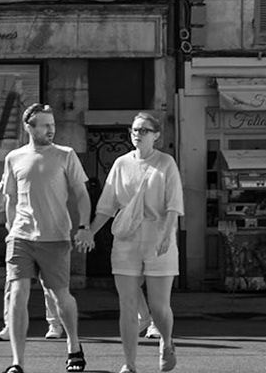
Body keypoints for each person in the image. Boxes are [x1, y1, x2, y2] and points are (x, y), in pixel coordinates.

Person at [0, 103, 92, 373]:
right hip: (21, 237)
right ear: (29, 127)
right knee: (17, 294)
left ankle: (74, 345)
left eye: (53, 124)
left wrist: (84, 226)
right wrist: (10, 229)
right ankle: (17, 362)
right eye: (45, 125)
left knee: (61, 296)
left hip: (55, 237)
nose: (51, 129)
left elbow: (81, 194)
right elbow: (11, 199)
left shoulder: (66, 155)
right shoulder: (13, 158)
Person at [90, 111, 184, 373]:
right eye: (134, 130)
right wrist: (90, 231)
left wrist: (167, 235)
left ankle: (166, 342)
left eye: (144, 130)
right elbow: (107, 206)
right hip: (127, 238)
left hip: (158, 234)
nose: (137, 134)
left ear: (156, 135)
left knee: (158, 306)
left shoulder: (166, 163)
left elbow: (174, 205)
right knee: (127, 305)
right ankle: (130, 364)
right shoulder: (121, 163)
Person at [0, 172, 67, 343]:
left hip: (44, 237)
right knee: (13, 285)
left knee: (50, 284)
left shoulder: (41, 182)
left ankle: (55, 324)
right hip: (18, 239)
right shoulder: (9, 182)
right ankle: (10, 327)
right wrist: (4, 183)